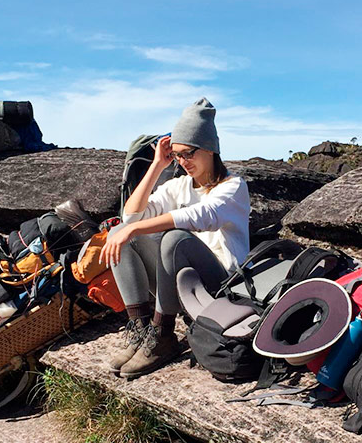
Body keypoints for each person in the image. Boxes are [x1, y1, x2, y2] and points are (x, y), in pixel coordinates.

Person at [101, 98, 251, 379]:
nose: (183, 162)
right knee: (120, 233)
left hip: (220, 289)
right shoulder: (177, 185)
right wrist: (157, 165)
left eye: (189, 153)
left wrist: (133, 229)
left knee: (174, 239)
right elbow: (131, 218)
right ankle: (142, 329)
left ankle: (164, 335)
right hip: (183, 289)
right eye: (177, 155)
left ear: (210, 149)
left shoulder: (233, 187)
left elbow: (202, 215)